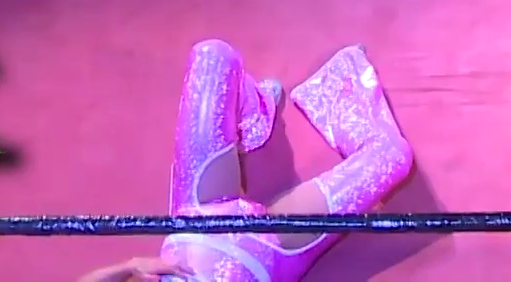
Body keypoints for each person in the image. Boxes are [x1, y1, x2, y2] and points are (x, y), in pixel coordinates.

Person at [154, 41, 413, 281]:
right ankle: (328, 94)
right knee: (392, 156)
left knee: (212, 55)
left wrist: (134, 267)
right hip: (264, 253)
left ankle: (254, 119)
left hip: (198, 215)